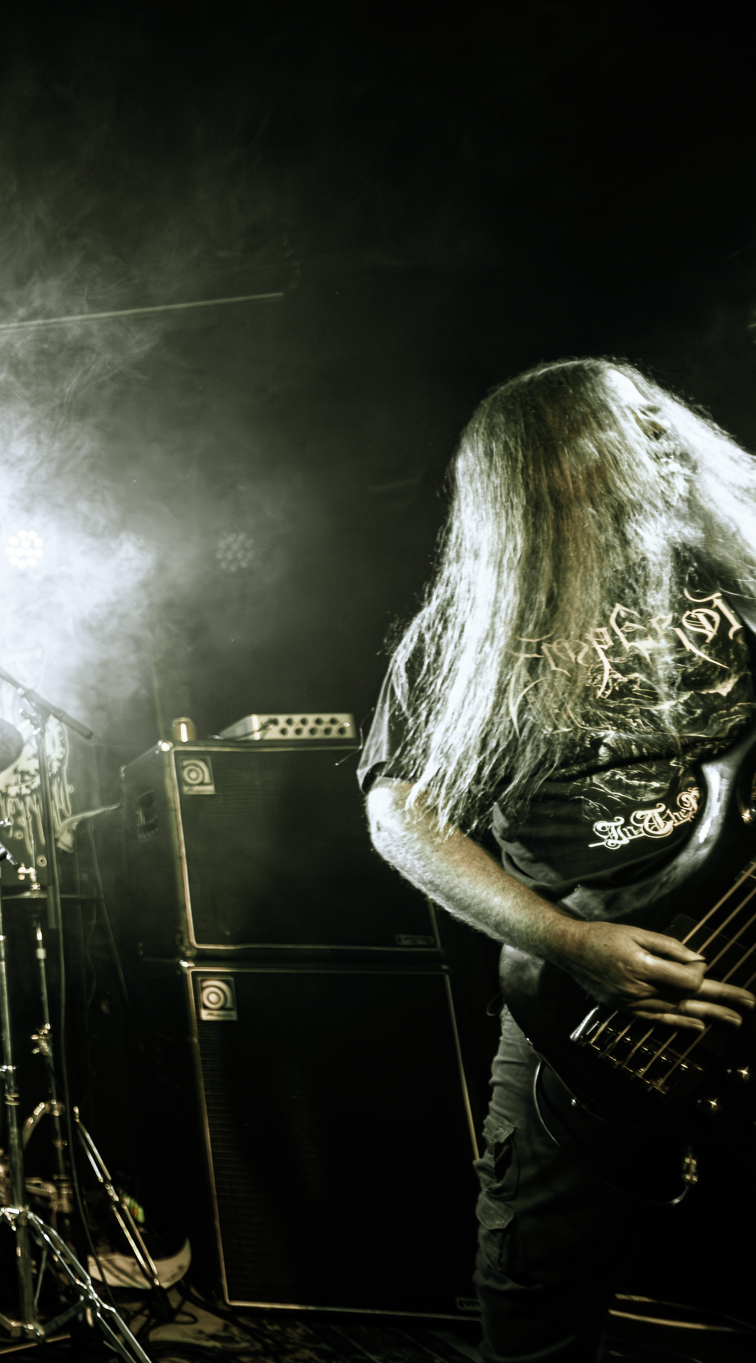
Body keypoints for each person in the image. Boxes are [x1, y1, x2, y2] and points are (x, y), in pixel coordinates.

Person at [362, 359, 756, 1363]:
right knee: (536, 1301)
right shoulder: (470, 628)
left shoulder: (740, 569)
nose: (656, 435)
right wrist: (569, 942)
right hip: (585, 1011)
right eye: (616, 426)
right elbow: (400, 813)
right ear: (539, 470)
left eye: (653, 417)